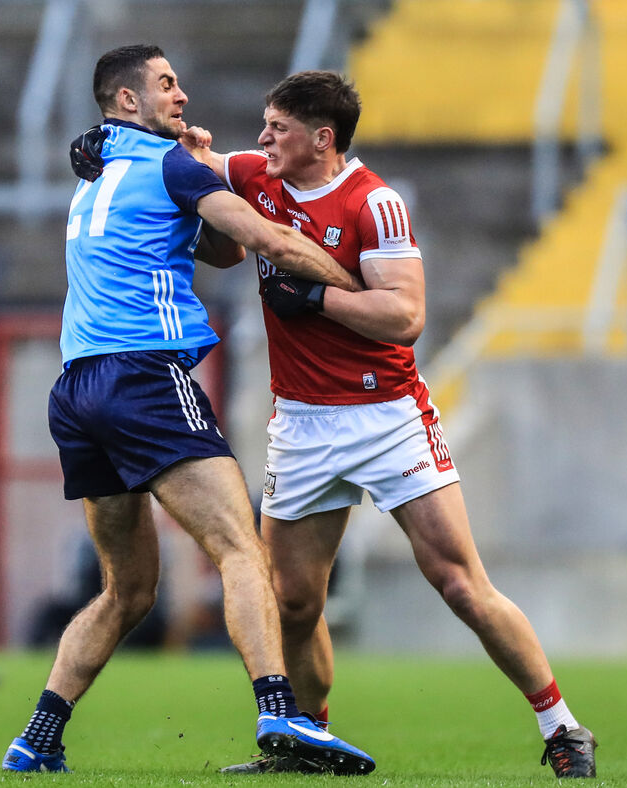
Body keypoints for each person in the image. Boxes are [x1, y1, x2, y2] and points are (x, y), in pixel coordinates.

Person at [181, 70, 598, 778]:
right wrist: (149, 147)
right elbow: (199, 168)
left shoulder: (375, 203)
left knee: (459, 581)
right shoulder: (259, 174)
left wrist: (316, 297)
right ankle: (310, 743)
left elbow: (405, 317)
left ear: (322, 138)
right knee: (293, 600)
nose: (261, 139)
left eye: (277, 128)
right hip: (303, 423)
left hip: (387, 418)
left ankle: (562, 726)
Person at [0, 45, 374, 775]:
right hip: (144, 379)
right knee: (242, 552)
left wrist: (196, 166)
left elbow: (219, 251)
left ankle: (38, 737)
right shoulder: (168, 166)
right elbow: (266, 238)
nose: (182, 95)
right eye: (166, 84)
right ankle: (281, 713)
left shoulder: (101, 164)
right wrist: (360, 294)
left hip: (77, 390)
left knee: (127, 589)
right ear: (128, 101)